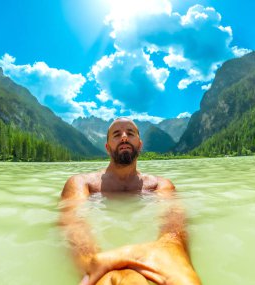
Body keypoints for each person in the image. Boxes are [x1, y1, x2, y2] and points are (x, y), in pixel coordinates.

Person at [60, 118, 201, 285]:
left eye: (130, 133)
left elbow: (173, 221)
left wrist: (171, 249)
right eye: (117, 134)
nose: (124, 137)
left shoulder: (159, 185)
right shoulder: (82, 183)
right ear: (107, 147)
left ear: (140, 145)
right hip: (103, 261)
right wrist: (90, 260)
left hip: (154, 257)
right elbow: (74, 220)